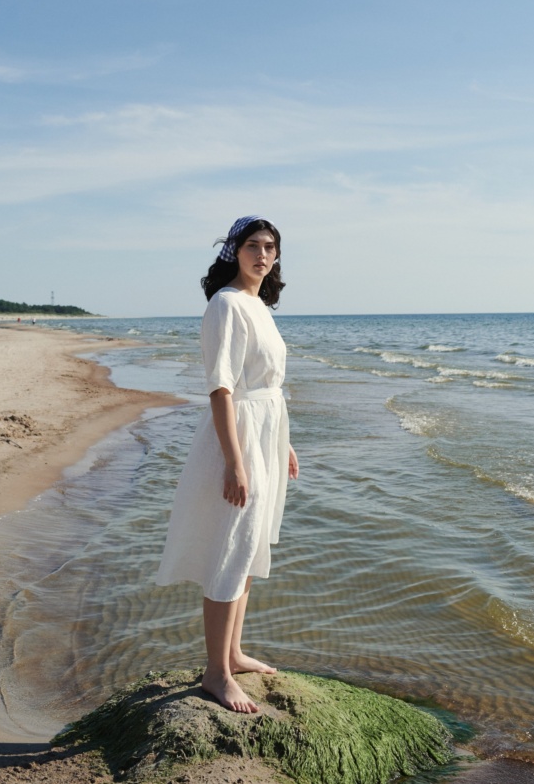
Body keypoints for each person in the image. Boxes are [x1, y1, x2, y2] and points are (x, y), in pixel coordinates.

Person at [156, 215, 299, 714]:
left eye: (271, 247)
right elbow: (222, 387)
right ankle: (215, 674)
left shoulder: (260, 306)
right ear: (233, 252)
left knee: (250, 549)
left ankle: (234, 653)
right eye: (253, 245)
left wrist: (283, 444)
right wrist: (235, 462)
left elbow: (267, 385)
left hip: (265, 433)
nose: (263, 254)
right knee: (230, 547)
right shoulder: (226, 304)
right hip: (237, 437)